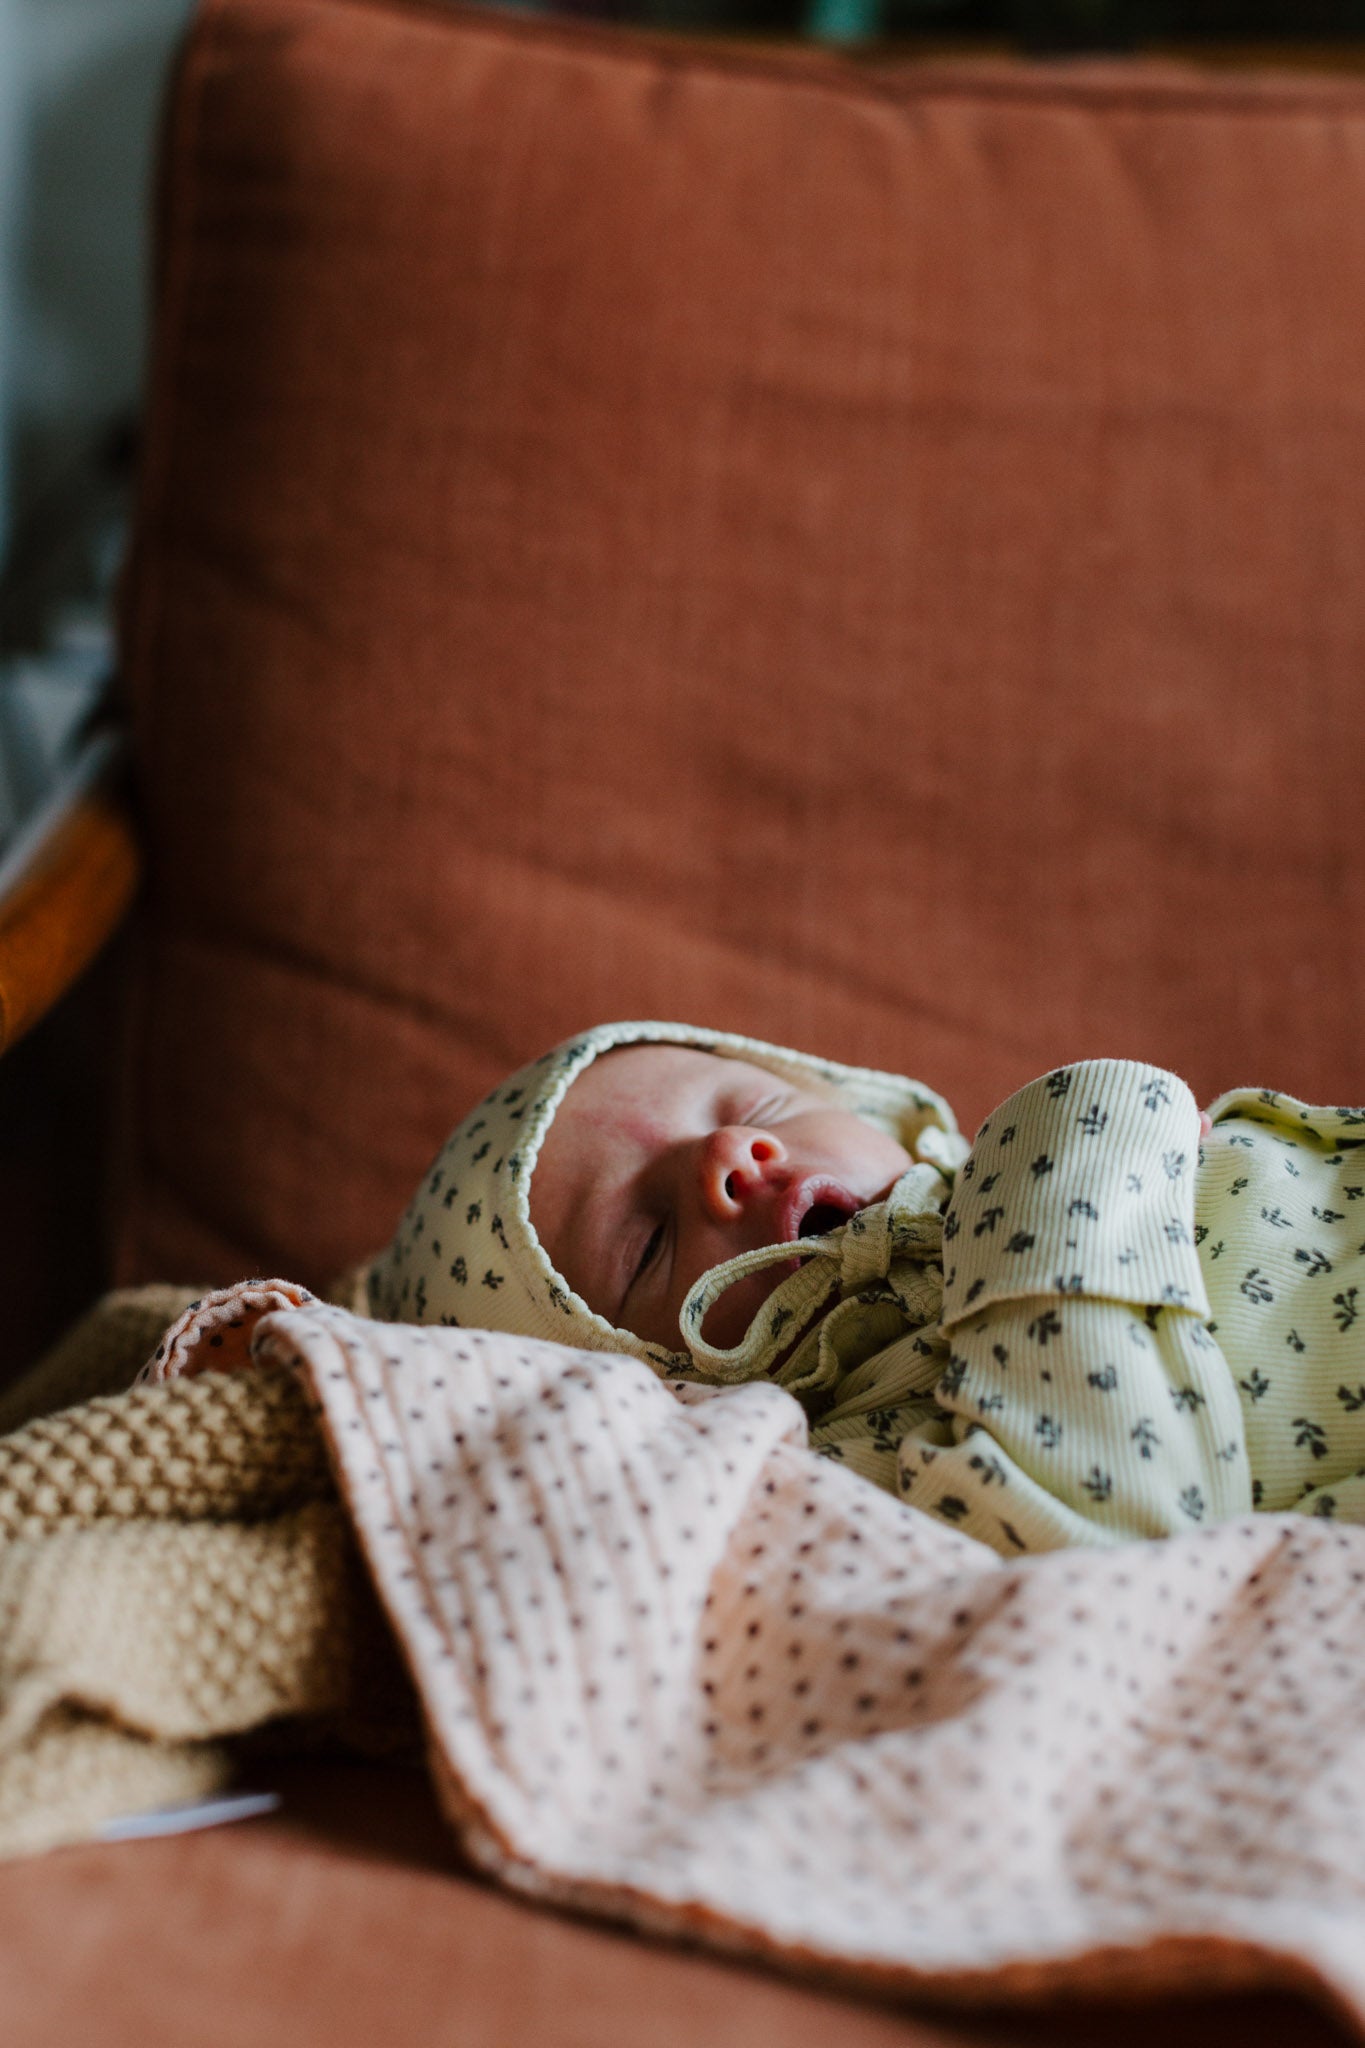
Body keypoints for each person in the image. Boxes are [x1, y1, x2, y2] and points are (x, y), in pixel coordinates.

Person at [367, 1021, 1365, 1556]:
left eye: (756, 1104)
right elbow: (1134, 1542)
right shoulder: (875, 1463)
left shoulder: (988, 1174)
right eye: (650, 1240)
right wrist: (1070, 1158)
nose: (729, 1152)